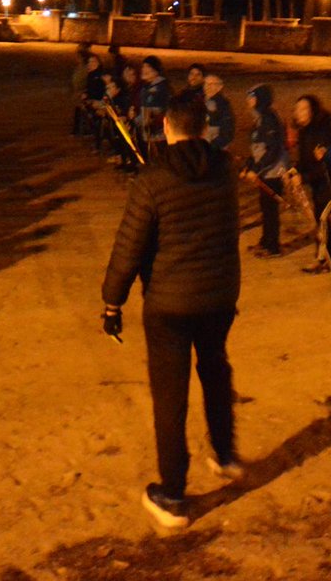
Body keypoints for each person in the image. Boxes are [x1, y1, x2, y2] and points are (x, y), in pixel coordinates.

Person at [100, 98, 243, 530]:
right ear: (203, 126)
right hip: (218, 295)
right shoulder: (225, 169)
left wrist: (113, 300)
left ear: (165, 126)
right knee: (215, 368)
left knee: (171, 395)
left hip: (170, 304)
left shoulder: (153, 177)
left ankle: (174, 495)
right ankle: (224, 452)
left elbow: (130, 245)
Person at [291, 95, 331, 274]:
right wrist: (295, 170)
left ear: (313, 110)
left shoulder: (324, 132)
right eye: (297, 109)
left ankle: (324, 259)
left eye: (304, 109)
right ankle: (326, 256)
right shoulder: (304, 132)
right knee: (320, 218)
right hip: (318, 187)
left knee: (323, 219)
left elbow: (325, 166)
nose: (299, 113)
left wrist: (303, 178)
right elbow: (306, 161)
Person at [243, 84, 289, 258]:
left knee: (270, 209)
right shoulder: (260, 118)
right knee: (265, 206)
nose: (248, 100)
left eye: (251, 97)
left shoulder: (269, 118)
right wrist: (249, 166)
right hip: (265, 171)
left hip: (273, 171)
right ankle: (265, 240)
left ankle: (273, 246)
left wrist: (257, 168)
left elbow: (272, 149)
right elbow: (257, 148)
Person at [137, 56, 172, 157]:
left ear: (156, 70)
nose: (144, 70)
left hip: (158, 128)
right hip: (148, 125)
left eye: (148, 67)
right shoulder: (147, 87)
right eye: (143, 67)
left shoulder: (161, 88)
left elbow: (160, 109)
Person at [202, 74, 235, 151]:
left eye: (211, 84)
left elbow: (227, 129)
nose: (207, 87)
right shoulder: (201, 102)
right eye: (205, 84)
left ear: (219, 87)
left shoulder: (222, 104)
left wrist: (214, 145)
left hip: (214, 147)